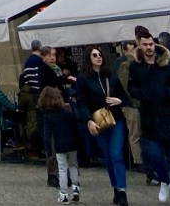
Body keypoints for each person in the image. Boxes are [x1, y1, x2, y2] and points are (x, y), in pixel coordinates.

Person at [128, 25, 170, 206]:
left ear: (155, 44)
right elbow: (132, 88)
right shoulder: (136, 67)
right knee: (155, 156)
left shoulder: (167, 63)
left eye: (151, 44)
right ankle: (164, 181)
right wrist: (144, 94)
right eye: (145, 44)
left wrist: (168, 93)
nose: (149, 47)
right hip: (150, 118)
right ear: (140, 45)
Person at [73, 45, 128, 206]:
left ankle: (122, 191)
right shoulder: (83, 78)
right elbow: (81, 102)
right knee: (108, 157)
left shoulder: (111, 75)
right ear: (88, 58)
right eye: (95, 55)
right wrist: (88, 120)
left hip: (115, 119)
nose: (99, 57)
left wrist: (119, 100)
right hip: (98, 122)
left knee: (116, 154)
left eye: (100, 54)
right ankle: (116, 188)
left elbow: (124, 96)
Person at [38, 85, 81, 205]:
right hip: (72, 144)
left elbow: (47, 135)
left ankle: (64, 195)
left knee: (62, 170)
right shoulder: (67, 113)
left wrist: (48, 150)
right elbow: (75, 128)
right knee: (73, 166)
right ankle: (76, 188)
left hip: (59, 145)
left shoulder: (48, 116)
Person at [115, 40, 142, 172]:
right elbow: (124, 87)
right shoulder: (125, 65)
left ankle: (140, 159)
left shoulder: (137, 64)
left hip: (136, 103)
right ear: (125, 51)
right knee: (135, 133)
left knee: (137, 132)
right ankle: (138, 160)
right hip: (131, 105)